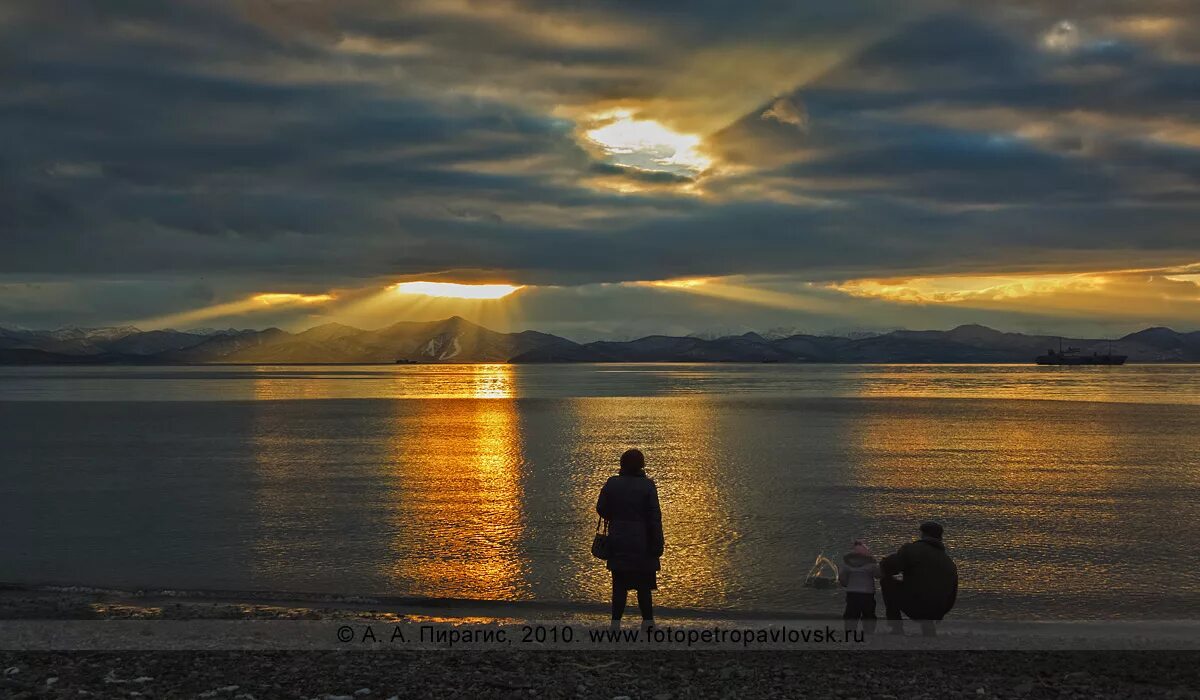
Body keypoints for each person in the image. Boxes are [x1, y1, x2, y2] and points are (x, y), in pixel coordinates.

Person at [596, 448, 664, 627]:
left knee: (619, 585)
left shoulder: (612, 483)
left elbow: (601, 508)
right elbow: (655, 517)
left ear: (622, 464)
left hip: (619, 539)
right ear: (641, 465)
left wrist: (616, 516)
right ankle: (647, 623)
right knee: (644, 586)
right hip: (643, 541)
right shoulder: (648, 486)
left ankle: (615, 624)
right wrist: (658, 542)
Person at [880, 521, 958, 636]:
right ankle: (928, 627)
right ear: (940, 537)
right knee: (926, 588)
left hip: (917, 607)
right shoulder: (948, 561)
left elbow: (889, 567)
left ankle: (896, 628)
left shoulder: (912, 550)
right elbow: (953, 592)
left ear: (923, 534)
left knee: (886, 582)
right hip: (939, 610)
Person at [838, 539, 880, 634]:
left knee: (851, 614)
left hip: (852, 592)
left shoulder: (846, 564)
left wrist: (846, 584)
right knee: (869, 614)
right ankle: (869, 632)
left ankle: (850, 631)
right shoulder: (871, 564)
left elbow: (842, 579)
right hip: (868, 592)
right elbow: (878, 575)